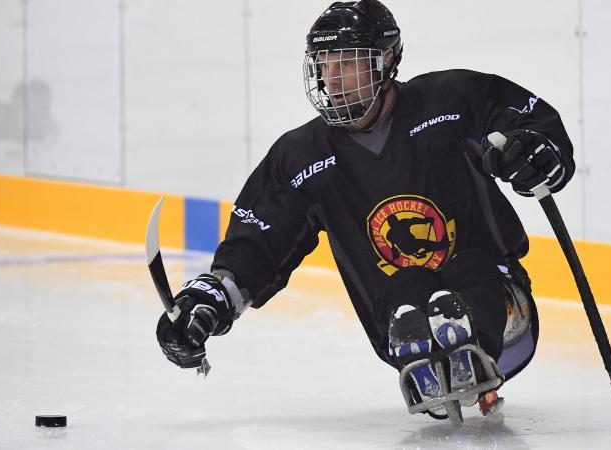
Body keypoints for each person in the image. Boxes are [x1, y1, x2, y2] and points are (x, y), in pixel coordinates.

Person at [156, 0, 574, 420]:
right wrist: (211, 300)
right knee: (404, 290)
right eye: (324, 64)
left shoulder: (451, 100)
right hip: (401, 331)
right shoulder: (301, 157)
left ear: (386, 60)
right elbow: (259, 244)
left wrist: (535, 150)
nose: (332, 79)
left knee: (467, 272)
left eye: (347, 63)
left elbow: (529, 121)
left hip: (504, 313)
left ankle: (472, 346)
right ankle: (429, 353)